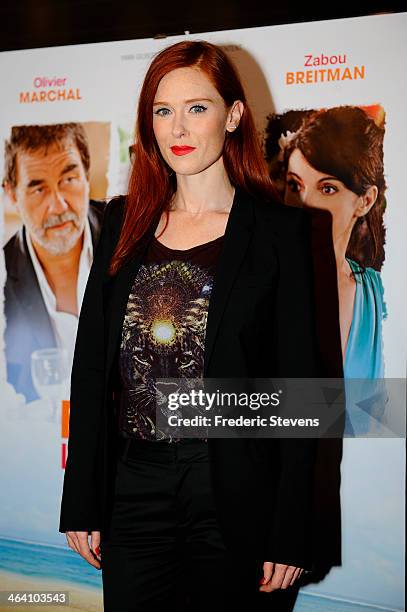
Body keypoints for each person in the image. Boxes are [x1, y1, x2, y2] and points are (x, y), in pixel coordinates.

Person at [59, 41, 322, 611]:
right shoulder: (121, 225)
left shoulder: (282, 235)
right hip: (134, 488)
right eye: (162, 109)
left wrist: (293, 527)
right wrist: (82, 498)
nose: (177, 127)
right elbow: (90, 371)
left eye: (197, 108)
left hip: (236, 489)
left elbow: (308, 392)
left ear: (232, 115)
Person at [281, 106, 387, 433]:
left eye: (327, 188)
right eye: (295, 185)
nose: (306, 204)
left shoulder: (374, 292)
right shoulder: (260, 284)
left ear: (365, 201)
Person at [2, 123, 106, 401]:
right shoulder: (3, 273)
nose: (58, 205)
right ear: (12, 194)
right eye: (38, 190)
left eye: (68, 180)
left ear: (86, 174)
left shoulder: (132, 236)